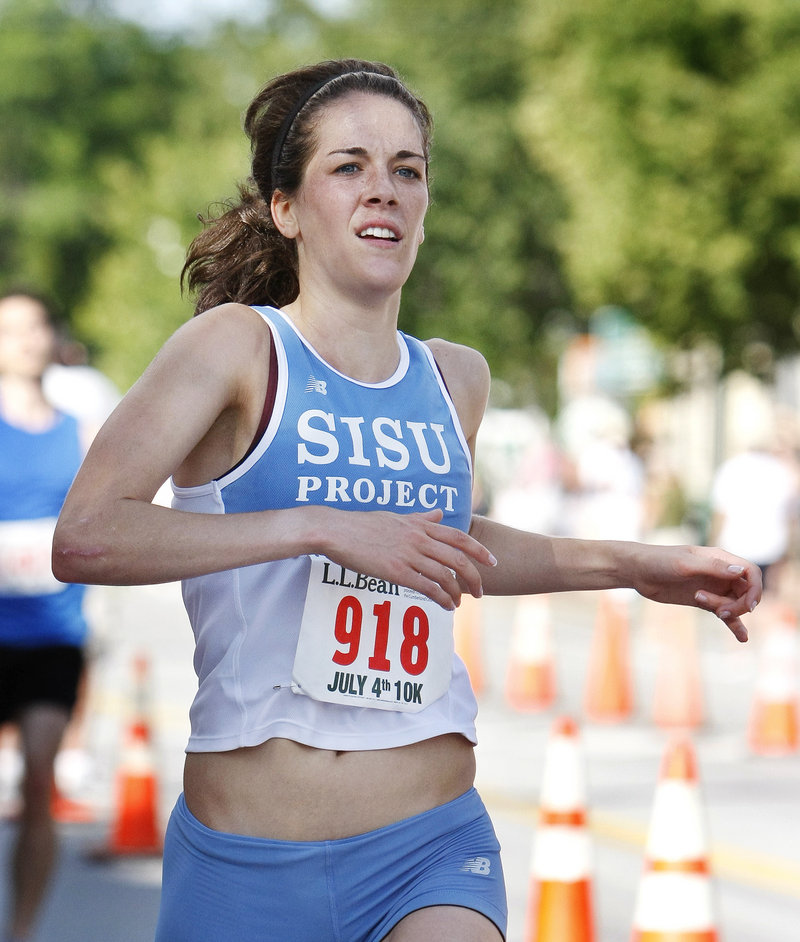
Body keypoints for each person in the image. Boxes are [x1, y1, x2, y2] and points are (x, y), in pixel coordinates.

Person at [52, 60, 761, 942]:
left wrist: (635, 565)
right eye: (348, 167)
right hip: (250, 863)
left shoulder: (454, 376)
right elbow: (85, 537)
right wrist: (318, 526)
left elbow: (448, 543)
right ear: (286, 208)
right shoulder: (235, 350)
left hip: (432, 843)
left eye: (407, 170)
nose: (382, 190)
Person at [0, 291, 89, 942]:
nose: (27, 339)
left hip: (55, 634)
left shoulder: (77, 431)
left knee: (38, 776)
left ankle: (23, 929)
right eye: (11, 329)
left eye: (35, 326)